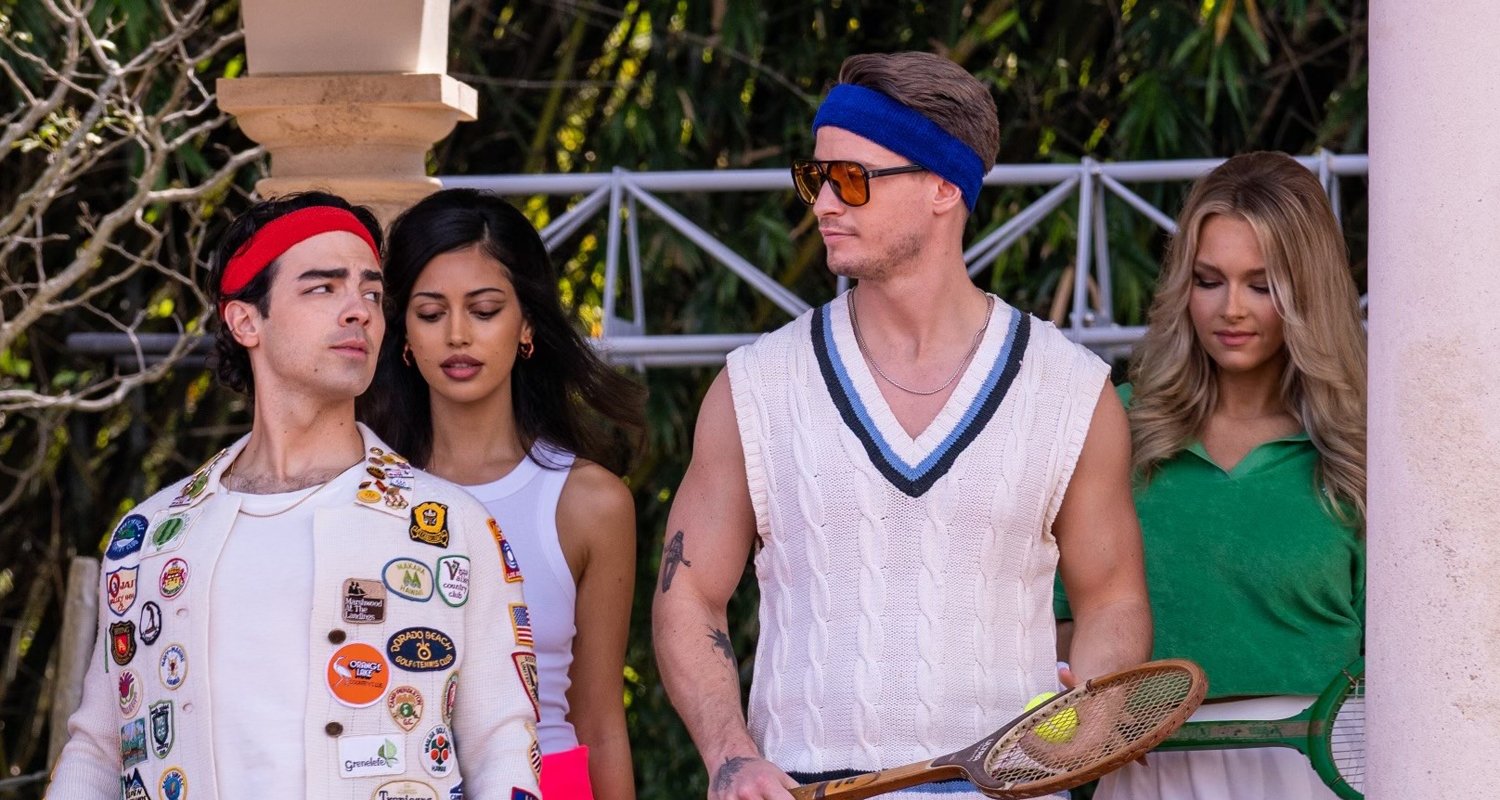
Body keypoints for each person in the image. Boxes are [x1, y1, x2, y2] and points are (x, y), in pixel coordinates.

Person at [651, 51, 1152, 800]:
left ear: (944, 186)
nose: (824, 203)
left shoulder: (1070, 390)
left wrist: (1089, 715)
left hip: (1008, 788)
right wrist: (730, 755)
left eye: (852, 178)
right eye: (815, 177)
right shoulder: (754, 387)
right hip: (809, 788)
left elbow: (1111, 598)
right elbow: (687, 593)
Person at [48, 192, 542, 800]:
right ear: (245, 321)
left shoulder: (450, 526)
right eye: (323, 288)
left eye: (371, 292)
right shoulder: (149, 538)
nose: (359, 311)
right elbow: (99, 750)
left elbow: (502, 745)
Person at [1055, 151, 1366, 799]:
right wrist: (1092, 703)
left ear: (1308, 291)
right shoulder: (1116, 421)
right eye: (1208, 280)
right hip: (1143, 765)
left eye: (1262, 285)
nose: (1231, 309)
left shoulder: (1366, 444)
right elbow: (1058, 615)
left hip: (1317, 767)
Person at [360, 188, 646, 800]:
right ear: (403, 333)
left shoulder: (589, 504)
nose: (457, 335)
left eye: (485, 310)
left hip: (550, 781)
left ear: (527, 324)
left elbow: (600, 722)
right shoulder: (361, 494)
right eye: (430, 314)